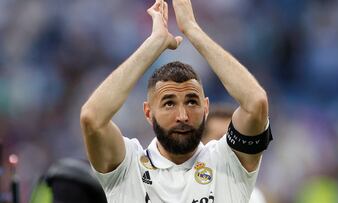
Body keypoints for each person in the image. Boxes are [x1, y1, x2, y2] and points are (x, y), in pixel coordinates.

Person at [80, 0, 272, 202]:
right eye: (169, 103)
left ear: (206, 108)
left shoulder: (229, 163)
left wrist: (192, 29)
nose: (183, 116)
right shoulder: (128, 167)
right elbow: (92, 118)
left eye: (192, 102)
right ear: (148, 112)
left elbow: (256, 103)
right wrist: (153, 44)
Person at [202, 104, 267, 203]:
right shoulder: (184, 188)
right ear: (202, 143)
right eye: (220, 139)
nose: (227, 147)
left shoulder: (253, 198)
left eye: (232, 141)